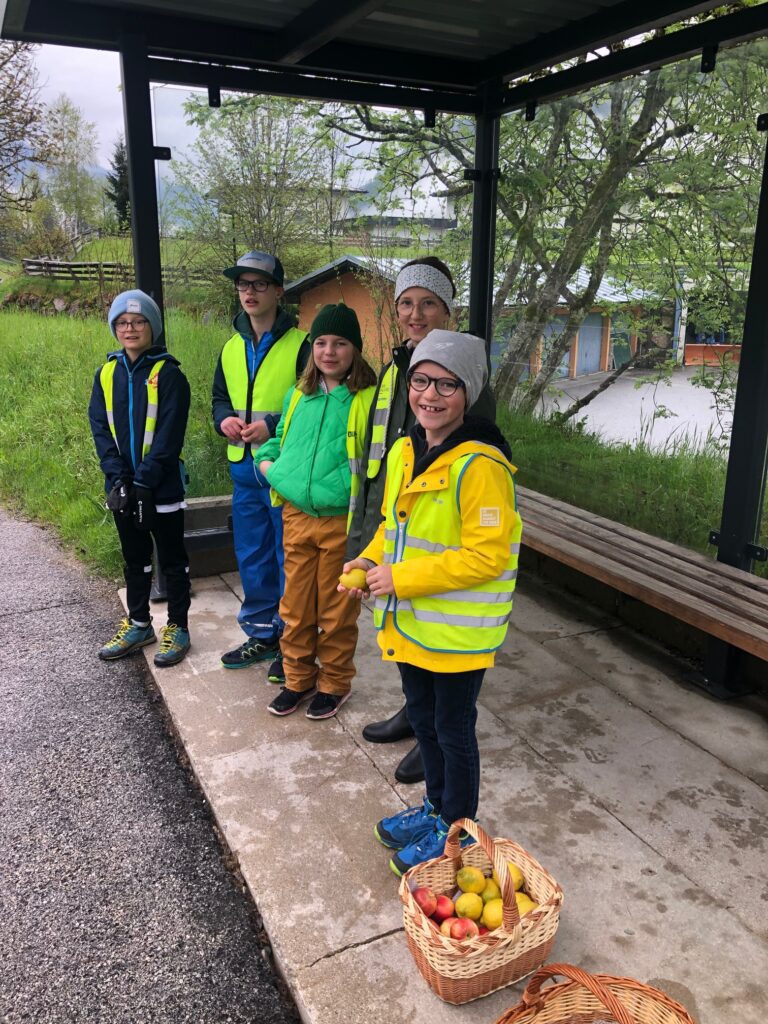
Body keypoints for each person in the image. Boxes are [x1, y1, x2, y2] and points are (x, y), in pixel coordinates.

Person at [343, 330, 521, 875]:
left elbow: (486, 557)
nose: (431, 395)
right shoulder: (405, 450)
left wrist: (401, 578)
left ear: (468, 395)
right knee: (423, 720)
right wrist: (366, 563)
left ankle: (458, 829)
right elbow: (392, 530)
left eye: (448, 385)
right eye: (421, 380)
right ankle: (435, 808)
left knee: (453, 730)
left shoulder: (481, 467)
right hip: (416, 626)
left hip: (459, 636)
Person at [346, 256, 496, 784]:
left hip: (438, 547)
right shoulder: (397, 367)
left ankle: (429, 734)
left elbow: (465, 475)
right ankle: (415, 717)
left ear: (448, 311)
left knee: (440, 665)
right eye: (406, 303)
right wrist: (370, 535)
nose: (415, 313)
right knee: (408, 640)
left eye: (428, 303)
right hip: (397, 519)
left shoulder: (466, 379)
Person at [256, 303, 377, 719]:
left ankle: (334, 683)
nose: (329, 351)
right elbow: (280, 441)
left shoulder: (367, 401)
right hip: (295, 515)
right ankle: (297, 678)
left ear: (355, 350)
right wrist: (268, 465)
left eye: (340, 343)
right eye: (321, 342)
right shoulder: (298, 395)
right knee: (294, 606)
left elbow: (374, 461)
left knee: (336, 610)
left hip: (340, 521)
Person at [212, 250, 310, 681]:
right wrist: (224, 421)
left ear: (278, 291)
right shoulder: (231, 347)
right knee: (251, 554)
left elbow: (315, 407)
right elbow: (218, 398)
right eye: (242, 284)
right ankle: (261, 633)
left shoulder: (302, 345)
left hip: (284, 471)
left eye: (258, 284)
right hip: (243, 470)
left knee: (288, 556)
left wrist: (270, 424)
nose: (249, 292)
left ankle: (292, 641)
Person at [89, 289, 192, 667]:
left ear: (152, 327)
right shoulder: (106, 374)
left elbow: (168, 435)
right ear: (114, 328)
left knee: (172, 559)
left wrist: (145, 482)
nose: (130, 329)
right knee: (134, 560)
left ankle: (178, 627)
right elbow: (100, 429)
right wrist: (118, 479)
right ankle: (138, 623)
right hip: (122, 488)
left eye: (138, 321)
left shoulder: (170, 375)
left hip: (160, 487)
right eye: (122, 322)